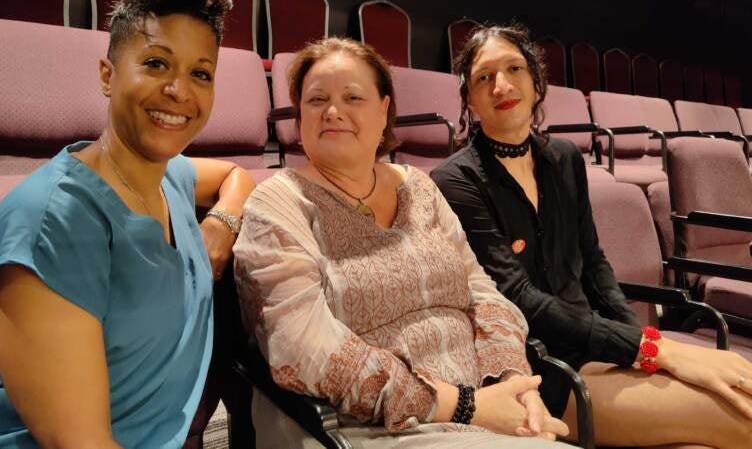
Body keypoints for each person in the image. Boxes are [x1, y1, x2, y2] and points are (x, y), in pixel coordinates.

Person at [234, 37, 572, 448]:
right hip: (365, 428)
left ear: (383, 111)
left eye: (353, 97)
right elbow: (304, 349)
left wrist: (516, 383)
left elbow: (482, 293)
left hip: (483, 411)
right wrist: (464, 406)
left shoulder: (420, 187)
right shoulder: (278, 202)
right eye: (316, 99)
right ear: (299, 117)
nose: (333, 111)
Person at [430, 23, 752, 448]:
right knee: (741, 418)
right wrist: (656, 351)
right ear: (469, 98)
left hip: (600, 343)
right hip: (540, 369)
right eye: (484, 77)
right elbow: (518, 295)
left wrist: (640, 345)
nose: (502, 85)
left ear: (537, 80)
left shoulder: (564, 157)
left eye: (514, 69)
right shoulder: (455, 179)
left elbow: (594, 261)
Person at [0, 0, 256, 448]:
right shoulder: (55, 223)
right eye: (156, 64)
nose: (179, 91)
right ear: (107, 75)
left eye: (200, 73)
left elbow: (238, 175)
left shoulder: (170, 173)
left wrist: (222, 222)